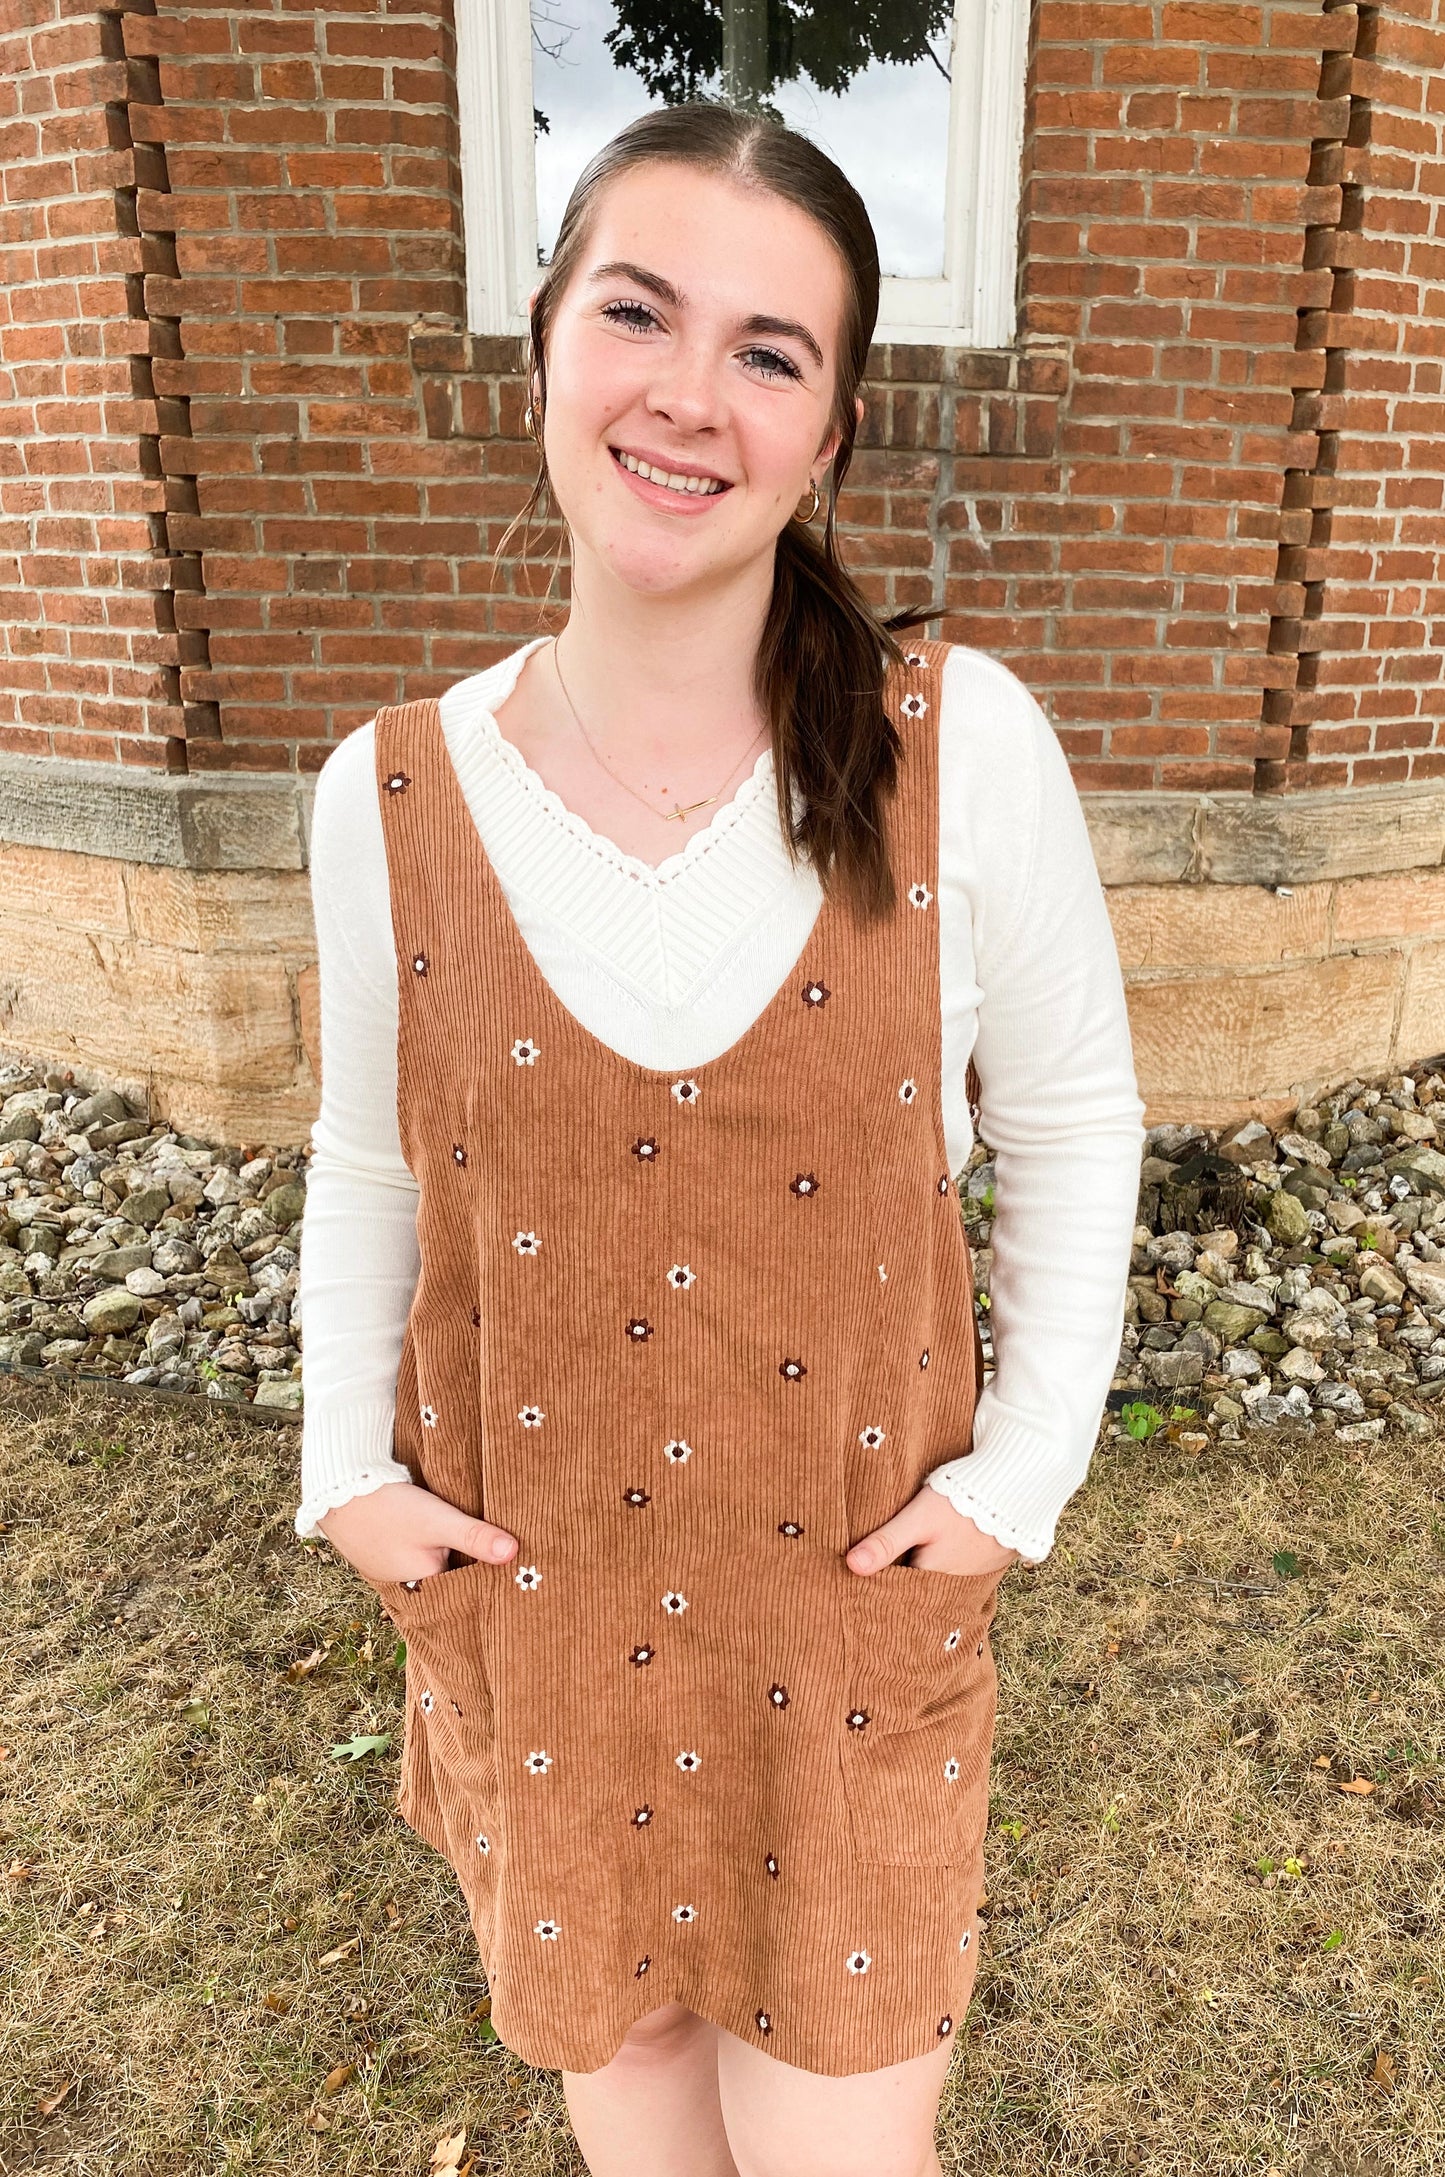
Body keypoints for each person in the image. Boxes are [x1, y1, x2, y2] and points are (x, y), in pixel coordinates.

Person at [296, 103, 1147, 2177]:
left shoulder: (965, 754)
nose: (691, 393)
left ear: (832, 430)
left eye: (771, 351)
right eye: (639, 312)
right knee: (643, 2142)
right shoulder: (387, 793)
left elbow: (1075, 1117)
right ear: (544, 350)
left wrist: (1025, 1469)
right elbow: (370, 1160)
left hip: (841, 1636)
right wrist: (343, 1468)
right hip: (549, 1626)